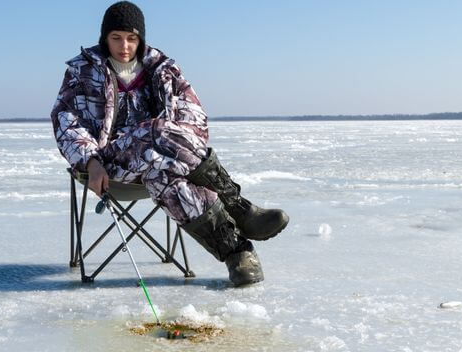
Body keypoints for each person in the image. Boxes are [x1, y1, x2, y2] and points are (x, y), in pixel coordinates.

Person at [50, 1, 288, 286]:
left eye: (132, 38)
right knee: (158, 130)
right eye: (116, 38)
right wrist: (91, 161)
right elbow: (66, 122)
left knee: (169, 180)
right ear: (104, 38)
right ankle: (238, 208)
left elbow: (194, 119)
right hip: (107, 164)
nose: (124, 45)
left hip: (162, 162)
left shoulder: (164, 70)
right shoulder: (82, 72)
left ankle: (237, 254)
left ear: (141, 39)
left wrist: (177, 151)